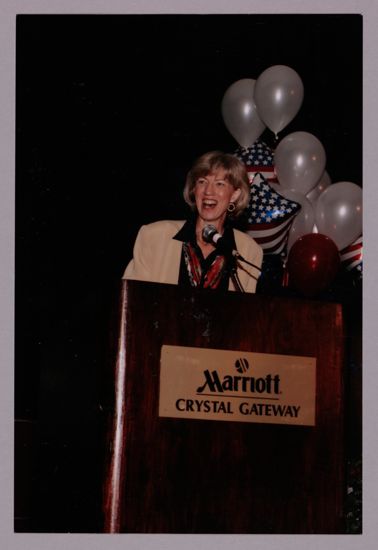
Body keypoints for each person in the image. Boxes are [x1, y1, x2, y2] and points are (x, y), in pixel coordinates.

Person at [123, 151, 263, 293]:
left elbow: (247, 311)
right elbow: (132, 301)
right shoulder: (155, 236)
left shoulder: (249, 251)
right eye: (202, 182)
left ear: (234, 195)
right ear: (194, 189)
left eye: (219, 184)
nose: (208, 191)